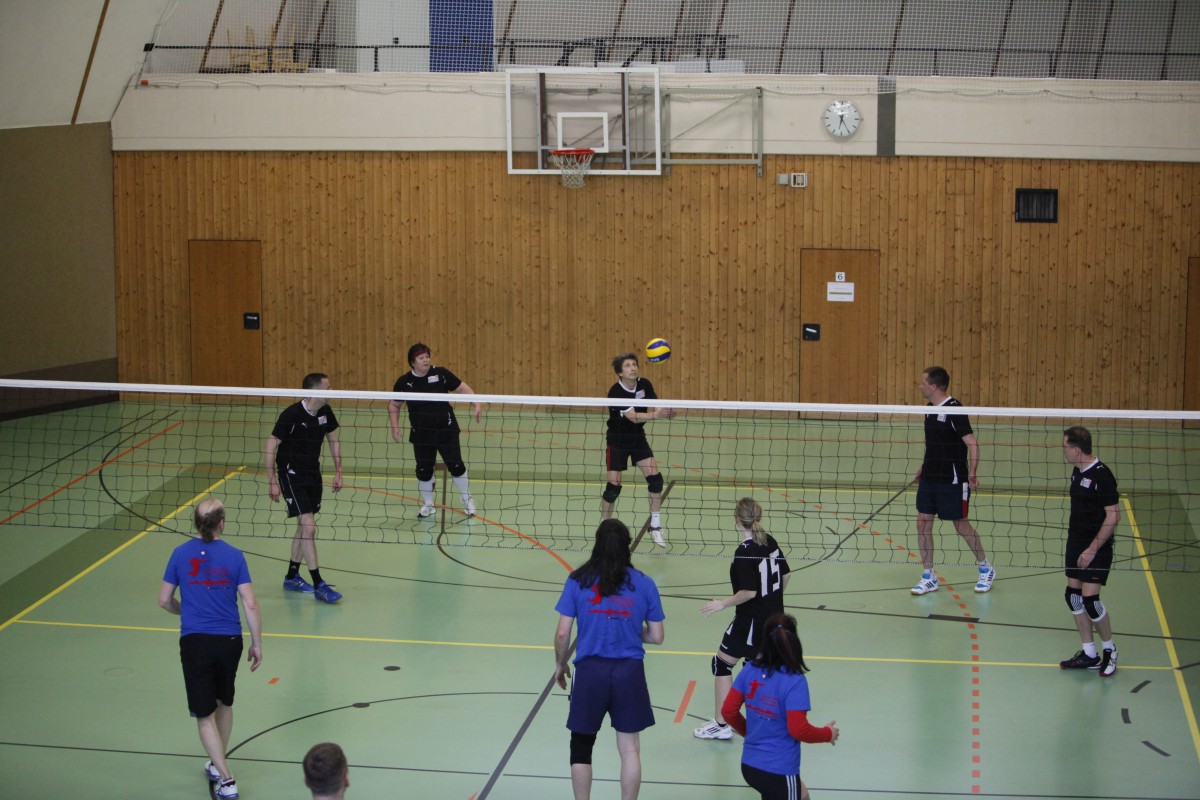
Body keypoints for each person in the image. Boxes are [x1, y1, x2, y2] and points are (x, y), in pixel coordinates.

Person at [553, 518, 666, 800]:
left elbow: (563, 632)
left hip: (590, 672)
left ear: (597, 545)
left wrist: (560, 663)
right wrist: (630, 629)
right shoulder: (645, 583)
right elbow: (656, 636)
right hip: (629, 673)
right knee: (630, 749)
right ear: (627, 546)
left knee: (581, 746)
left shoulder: (578, 580)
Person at [158, 498, 262, 800]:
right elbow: (250, 603)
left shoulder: (180, 553)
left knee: (204, 714)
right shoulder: (235, 556)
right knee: (224, 703)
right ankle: (219, 764)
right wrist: (257, 643)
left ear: (196, 523)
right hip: (229, 641)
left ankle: (226, 780)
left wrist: (185, 610)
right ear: (222, 523)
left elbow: (164, 600)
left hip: (196, 642)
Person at [694, 497, 792, 741]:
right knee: (754, 667)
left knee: (721, 664)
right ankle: (762, 725)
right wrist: (771, 601)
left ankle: (722, 724)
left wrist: (722, 604)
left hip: (751, 621)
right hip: (774, 619)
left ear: (736, 519)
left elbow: (748, 592)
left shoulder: (744, 552)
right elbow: (786, 575)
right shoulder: (769, 541)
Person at [721, 613, 839, 800]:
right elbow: (798, 729)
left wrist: (751, 734)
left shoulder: (750, 669)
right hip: (778, 770)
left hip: (750, 765)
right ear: (794, 643)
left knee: (801, 793)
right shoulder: (794, 681)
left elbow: (728, 711)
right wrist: (827, 734)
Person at [910, 366, 995, 595]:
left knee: (961, 525)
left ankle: (985, 568)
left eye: (923, 382)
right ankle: (929, 576)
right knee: (922, 523)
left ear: (934, 386)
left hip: (953, 479)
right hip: (930, 477)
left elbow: (972, 444)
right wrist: (924, 466)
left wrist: (972, 472)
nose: (919, 386)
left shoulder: (955, 410)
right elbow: (933, 443)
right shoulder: (929, 409)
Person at [265, 372, 344, 604]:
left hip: (312, 474)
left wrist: (339, 471)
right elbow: (270, 445)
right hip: (291, 475)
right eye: (327, 388)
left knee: (303, 527)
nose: (331, 391)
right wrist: (272, 480)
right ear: (313, 391)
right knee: (309, 527)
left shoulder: (325, 411)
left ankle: (291, 577)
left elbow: (333, 440)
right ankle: (319, 584)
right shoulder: (292, 414)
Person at [388, 342, 482, 518]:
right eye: (421, 358)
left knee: (456, 465)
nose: (426, 360)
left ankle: (467, 498)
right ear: (412, 362)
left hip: (446, 430)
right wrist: (395, 426)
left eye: (427, 357)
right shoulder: (404, 382)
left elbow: (462, 388)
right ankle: (428, 504)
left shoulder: (441, 374)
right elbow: (394, 405)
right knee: (423, 470)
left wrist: (476, 403)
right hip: (421, 434)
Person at [1059, 425, 1120, 677]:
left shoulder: (1102, 476)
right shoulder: (1077, 471)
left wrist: (1093, 549)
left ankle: (1110, 650)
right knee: (1073, 597)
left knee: (1090, 601)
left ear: (1076, 450)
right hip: (1075, 542)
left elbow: (1114, 515)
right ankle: (1089, 653)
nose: (1063, 451)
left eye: (1065, 447)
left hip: (1097, 546)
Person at [602, 352, 676, 548]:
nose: (632, 368)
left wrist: (667, 412)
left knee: (656, 480)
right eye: (627, 365)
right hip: (617, 440)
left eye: (634, 364)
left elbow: (655, 405)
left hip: (637, 438)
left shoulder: (644, 384)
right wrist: (657, 415)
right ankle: (604, 527)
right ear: (620, 372)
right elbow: (633, 417)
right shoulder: (615, 392)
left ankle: (655, 526)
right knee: (613, 488)